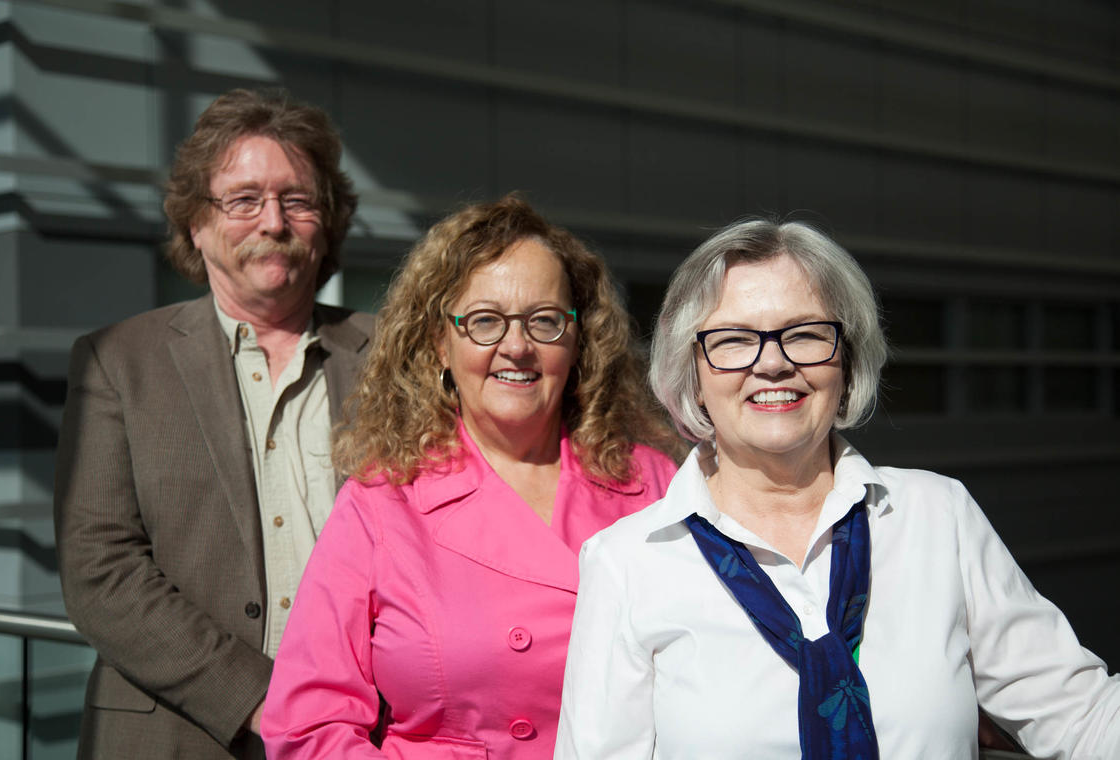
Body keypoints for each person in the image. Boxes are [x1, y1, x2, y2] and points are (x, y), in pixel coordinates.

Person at [555, 219, 1120, 759]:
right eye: (733, 340)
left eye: (804, 334)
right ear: (693, 375)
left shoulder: (937, 518)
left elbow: (1081, 713)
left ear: (846, 363)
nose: (772, 363)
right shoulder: (628, 564)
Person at [260, 195, 683, 759]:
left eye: (545, 320)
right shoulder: (382, 502)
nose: (516, 346)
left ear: (579, 340)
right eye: (484, 321)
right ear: (441, 343)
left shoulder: (652, 486)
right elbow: (309, 726)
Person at [53, 88, 374, 760]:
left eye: (297, 199)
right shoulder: (117, 362)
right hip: (171, 735)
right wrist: (264, 698)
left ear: (328, 222)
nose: (274, 220)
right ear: (197, 224)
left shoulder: (393, 358)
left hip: (360, 735)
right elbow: (99, 569)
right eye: (244, 199)